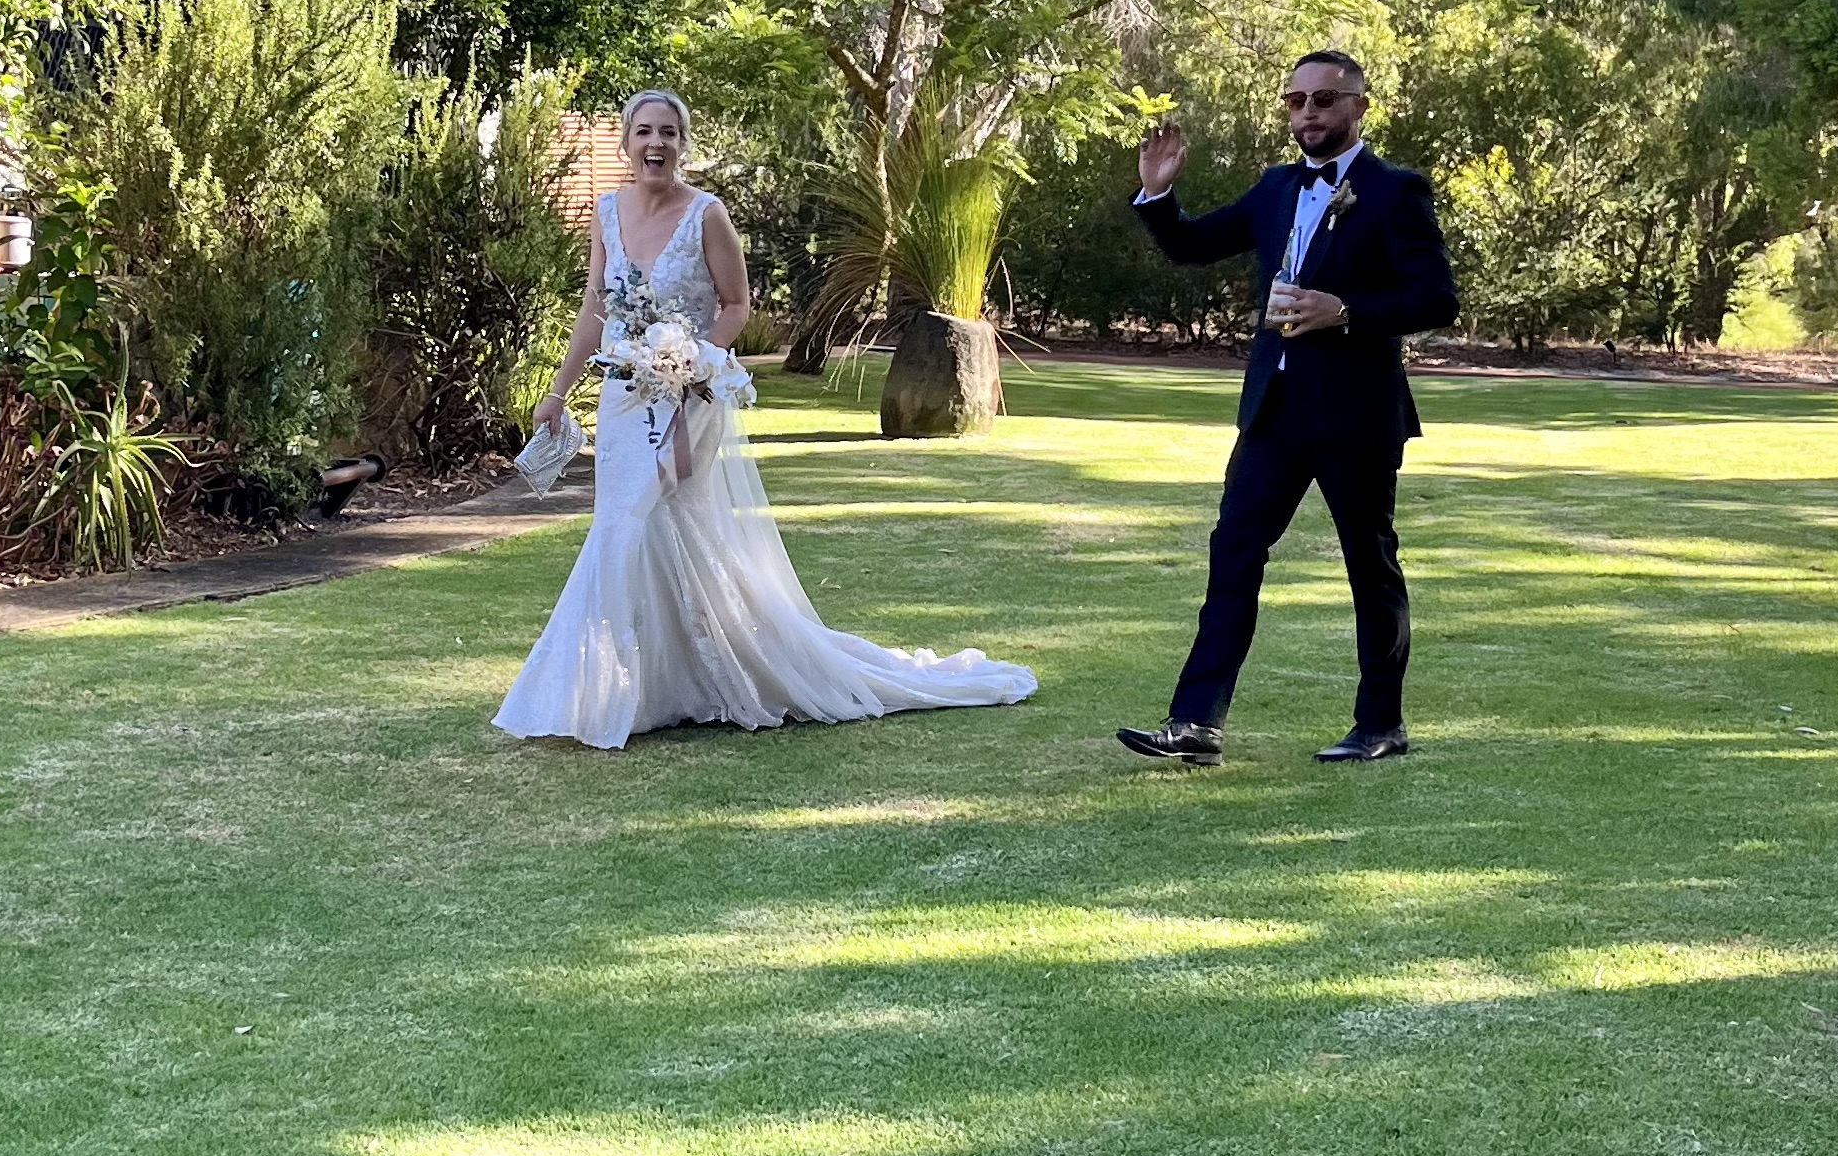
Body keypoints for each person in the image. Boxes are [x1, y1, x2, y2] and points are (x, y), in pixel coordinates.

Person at [496, 90, 1037, 749]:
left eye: (668, 131)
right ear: (627, 143)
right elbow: (595, 309)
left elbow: (735, 303)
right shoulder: (607, 212)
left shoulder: (707, 214)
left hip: (689, 397)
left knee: (625, 524)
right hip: (622, 400)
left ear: (682, 142)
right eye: (644, 132)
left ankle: (602, 694)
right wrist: (558, 390)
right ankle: (676, 682)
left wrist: (694, 359)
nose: (656, 143)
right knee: (668, 534)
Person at [1117, 50, 1456, 767]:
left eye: (1324, 100)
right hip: (1273, 410)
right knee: (1233, 550)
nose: (1308, 113)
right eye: (1296, 101)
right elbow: (1193, 245)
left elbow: (1436, 298)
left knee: (1370, 566)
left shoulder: (1395, 191)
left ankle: (1380, 724)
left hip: (1356, 416)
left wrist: (1347, 310)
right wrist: (1157, 196)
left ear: (1359, 107)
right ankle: (1195, 723)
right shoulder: (1274, 189)